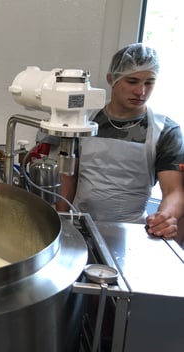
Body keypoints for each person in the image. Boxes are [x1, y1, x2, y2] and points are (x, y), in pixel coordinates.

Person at [57, 43, 184, 244]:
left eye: (149, 83)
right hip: (82, 225)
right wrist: (60, 222)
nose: (141, 91)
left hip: (132, 232)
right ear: (111, 79)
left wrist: (165, 216)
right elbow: (69, 179)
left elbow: (174, 190)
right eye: (132, 81)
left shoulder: (165, 130)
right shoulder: (85, 121)